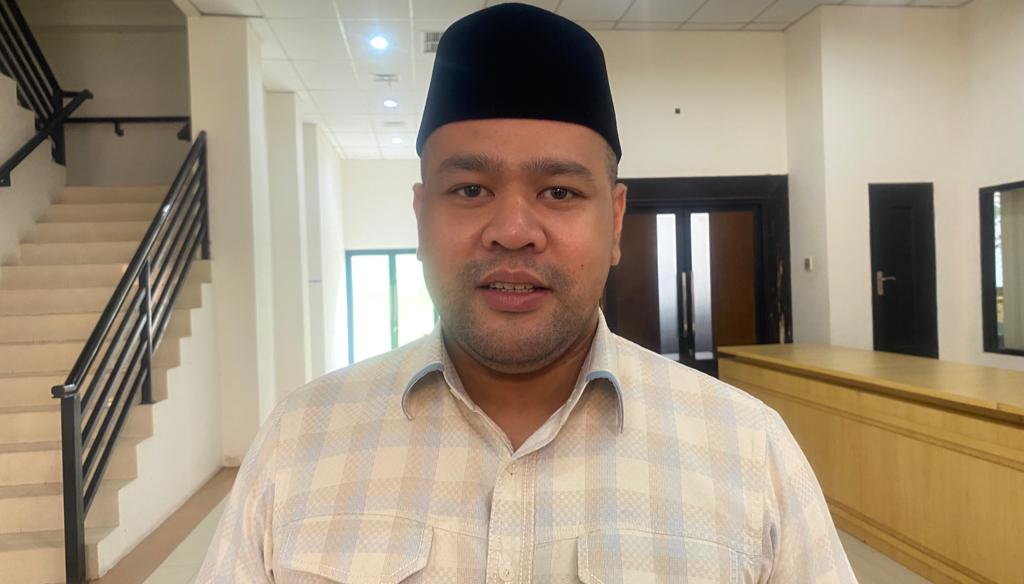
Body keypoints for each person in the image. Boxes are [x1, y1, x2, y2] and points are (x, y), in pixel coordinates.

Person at [197, 3, 856, 582]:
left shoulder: (747, 450)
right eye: (470, 189)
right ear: (421, 219)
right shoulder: (300, 441)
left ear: (615, 222)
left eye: (559, 191)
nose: (513, 231)